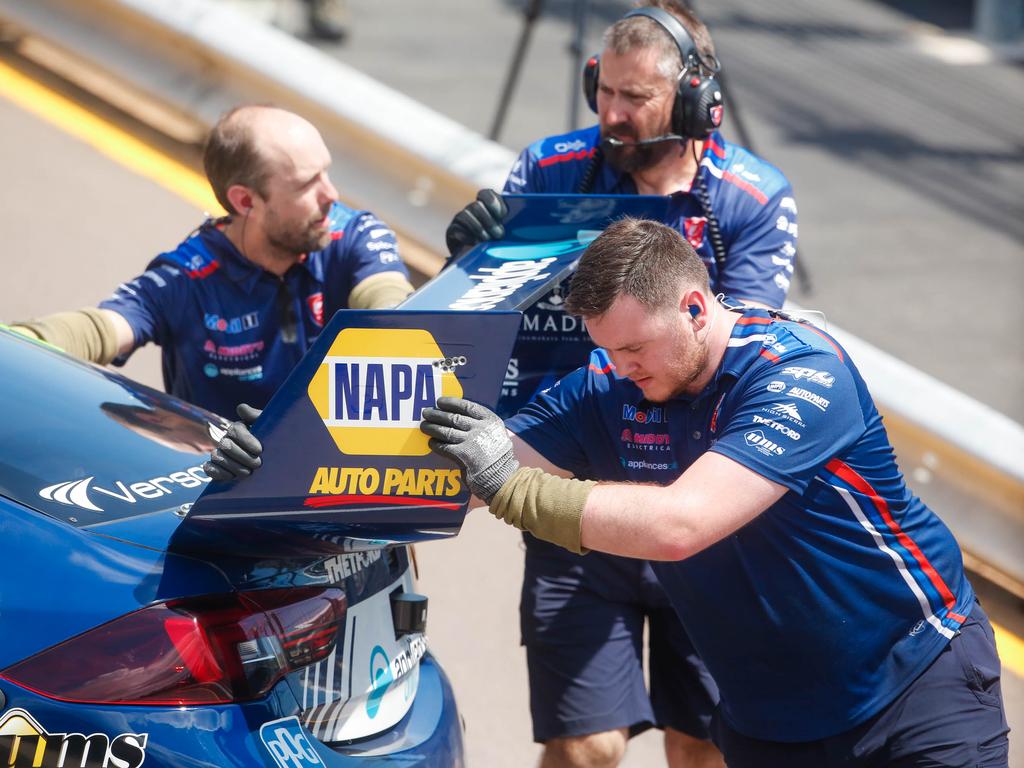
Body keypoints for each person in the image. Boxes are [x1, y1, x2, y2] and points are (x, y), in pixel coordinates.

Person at [416, 218, 1010, 768]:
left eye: (634, 348)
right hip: (770, 719)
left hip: (916, 686)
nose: (620, 368)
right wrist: (341, 491)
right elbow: (463, 476)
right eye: (607, 350)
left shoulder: (799, 372)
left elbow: (681, 525)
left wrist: (507, 485)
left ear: (694, 308)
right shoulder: (605, 386)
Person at [444, 2, 796, 765]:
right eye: (603, 89)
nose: (612, 113)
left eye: (636, 98)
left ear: (696, 99)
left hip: (701, 508)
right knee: (585, 749)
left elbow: (752, 349)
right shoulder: (548, 167)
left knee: (701, 748)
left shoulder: (753, 196)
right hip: (575, 496)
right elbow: (487, 324)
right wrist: (469, 263)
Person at [10, 105, 414, 418]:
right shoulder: (186, 279)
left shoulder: (354, 234)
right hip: (222, 489)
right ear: (245, 201)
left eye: (326, 173)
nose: (331, 194)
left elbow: (392, 308)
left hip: (331, 474)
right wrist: (11, 347)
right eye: (307, 183)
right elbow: (101, 328)